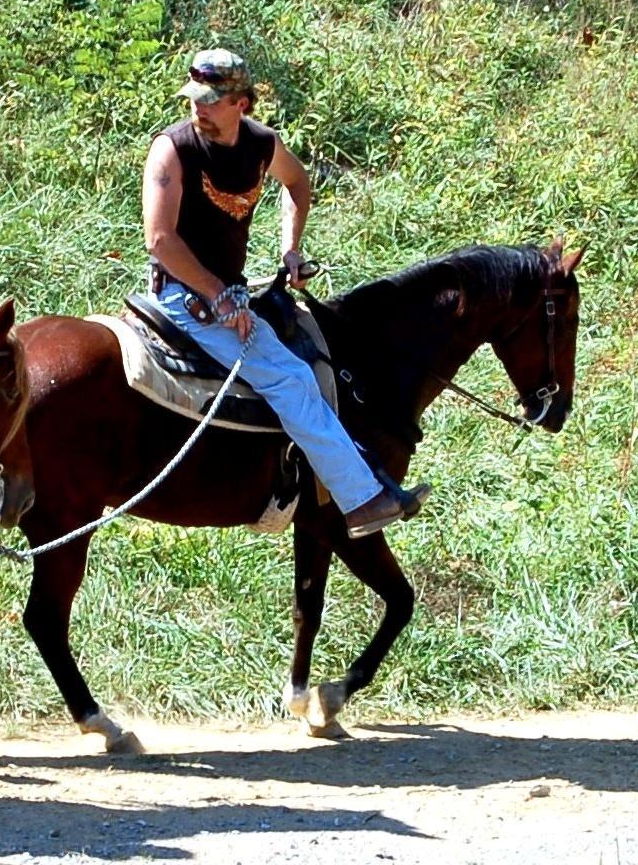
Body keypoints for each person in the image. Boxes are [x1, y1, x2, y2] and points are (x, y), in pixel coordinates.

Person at [142, 47, 429, 538]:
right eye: (195, 98)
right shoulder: (172, 150)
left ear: (243, 104)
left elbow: (297, 183)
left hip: (227, 292)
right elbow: (160, 240)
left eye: (211, 100)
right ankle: (361, 501)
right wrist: (219, 296)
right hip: (183, 296)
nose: (198, 108)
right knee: (291, 378)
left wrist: (290, 249)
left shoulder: (260, 144)